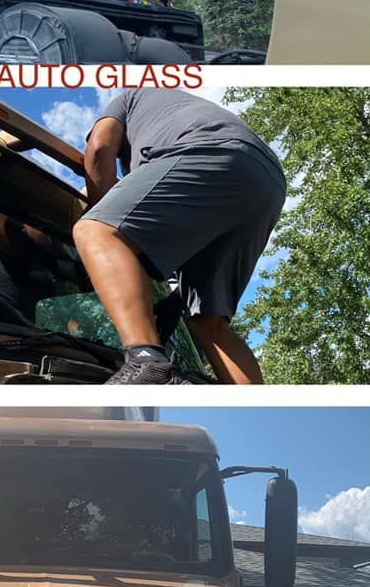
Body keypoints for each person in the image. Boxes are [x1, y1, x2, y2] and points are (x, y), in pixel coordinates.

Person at [73, 89, 286, 385]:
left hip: (214, 151)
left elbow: (98, 149)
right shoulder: (167, 112)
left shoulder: (128, 97)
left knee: (94, 230)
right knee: (209, 323)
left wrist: (105, 215)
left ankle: (146, 363)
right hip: (267, 180)